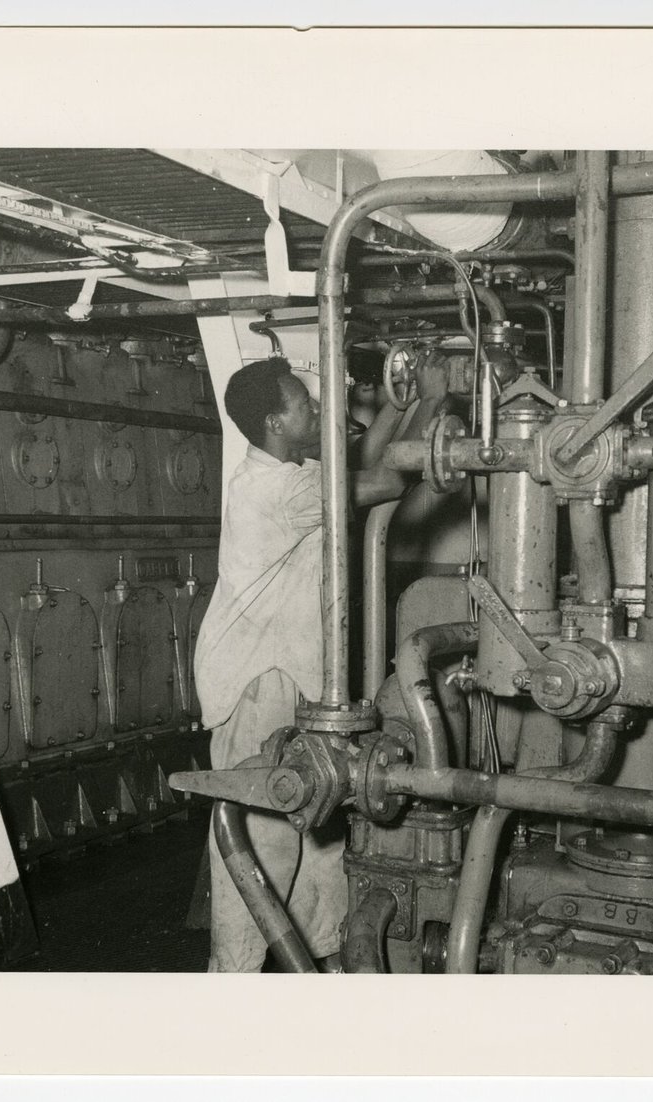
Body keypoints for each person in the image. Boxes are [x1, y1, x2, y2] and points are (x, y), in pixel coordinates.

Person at [194, 355, 447, 972]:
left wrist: (398, 404)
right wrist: (435, 402)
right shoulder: (274, 489)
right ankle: (232, 982)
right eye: (304, 403)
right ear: (277, 422)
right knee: (264, 844)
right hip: (260, 682)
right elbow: (383, 482)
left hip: (298, 678)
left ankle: (325, 968)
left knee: (325, 832)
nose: (317, 409)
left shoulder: (293, 474)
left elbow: (356, 466)